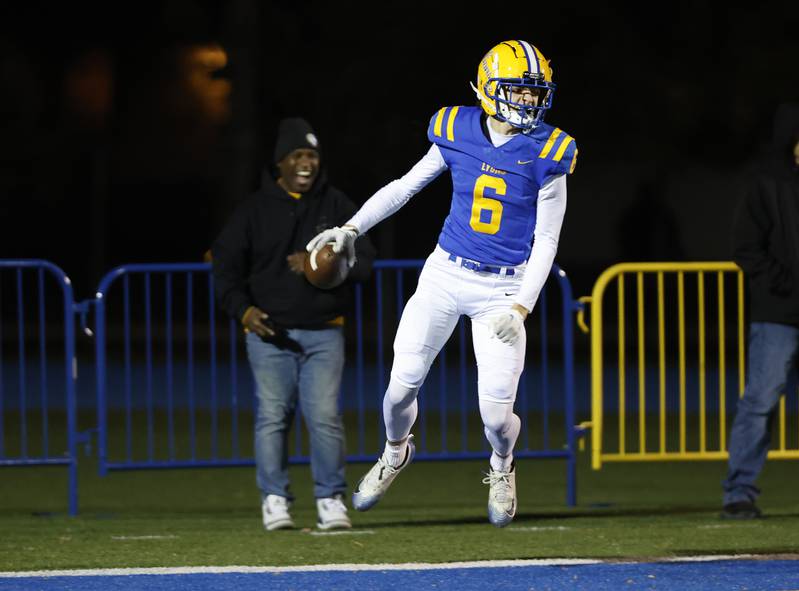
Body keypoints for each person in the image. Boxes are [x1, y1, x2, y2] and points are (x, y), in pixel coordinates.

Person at [307, 40, 578, 527]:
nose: (530, 102)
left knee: (496, 417)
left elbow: (548, 239)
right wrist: (352, 227)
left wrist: (521, 307)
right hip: (445, 274)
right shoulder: (456, 129)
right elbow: (407, 185)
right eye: (519, 91)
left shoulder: (550, 151)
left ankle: (502, 465)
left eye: (535, 93)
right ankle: (395, 452)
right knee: (397, 391)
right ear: (490, 89)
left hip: (504, 287)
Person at [212, 117, 376, 531]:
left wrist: (325, 266)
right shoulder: (253, 210)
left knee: (324, 417)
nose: (307, 163)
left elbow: (367, 262)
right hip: (271, 334)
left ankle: (330, 500)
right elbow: (224, 270)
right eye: (298, 155)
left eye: (313, 155)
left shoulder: (337, 205)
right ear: (280, 163)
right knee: (273, 416)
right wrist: (243, 311)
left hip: (325, 330)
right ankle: (275, 500)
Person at [722, 103, 799, 520]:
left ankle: (739, 490)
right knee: (761, 402)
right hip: (778, 313)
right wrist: (784, 284)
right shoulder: (767, 183)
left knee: (760, 402)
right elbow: (745, 248)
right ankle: (739, 493)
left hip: (780, 308)